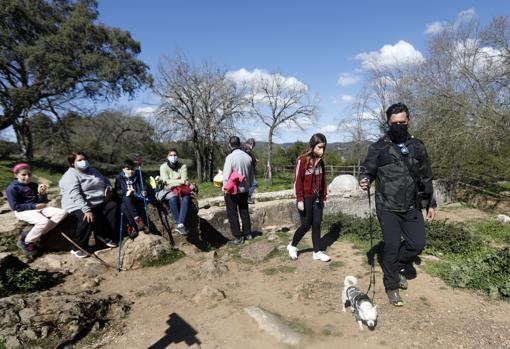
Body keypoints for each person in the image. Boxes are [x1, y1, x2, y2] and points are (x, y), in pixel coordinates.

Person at [359, 102, 436, 306]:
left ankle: (395, 267)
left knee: (417, 243)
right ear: (388, 123)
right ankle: (392, 286)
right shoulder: (379, 147)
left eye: (402, 122)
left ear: (408, 120)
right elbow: (368, 169)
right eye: (395, 123)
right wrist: (365, 178)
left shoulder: (418, 146)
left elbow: (426, 176)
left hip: (412, 205)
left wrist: (430, 203)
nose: (399, 125)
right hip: (387, 207)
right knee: (391, 247)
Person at [59, 152, 118, 258]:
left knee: (112, 206)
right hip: (76, 204)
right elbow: (74, 194)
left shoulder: (93, 170)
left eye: (85, 159)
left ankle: (103, 237)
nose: (83, 162)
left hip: (95, 202)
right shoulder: (70, 175)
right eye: (79, 160)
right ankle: (77, 246)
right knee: (87, 218)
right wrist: (86, 209)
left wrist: (108, 189)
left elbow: (105, 180)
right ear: (72, 163)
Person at [6, 163, 67, 257]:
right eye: (23, 174)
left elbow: (41, 201)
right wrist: (34, 206)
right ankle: (27, 242)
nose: (27, 177)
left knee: (62, 213)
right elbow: (15, 206)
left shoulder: (33, 185)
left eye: (29, 174)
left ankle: (32, 235)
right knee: (44, 221)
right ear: (16, 175)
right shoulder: (12, 188)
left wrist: (42, 194)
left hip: (38, 208)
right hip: (23, 211)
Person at [287, 133, 331, 262]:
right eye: (319, 147)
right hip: (305, 198)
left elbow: (323, 180)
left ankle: (317, 251)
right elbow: (298, 181)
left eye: (324, 147)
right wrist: (300, 199)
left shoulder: (320, 162)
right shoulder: (302, 160)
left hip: (317, 198)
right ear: (312, 146)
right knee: (306, 225)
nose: (322, 150)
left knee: (317, 224)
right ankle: (292, 246)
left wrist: (325, 197)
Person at [222, 136, 254, 244]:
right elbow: (251, 175)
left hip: (232, 190)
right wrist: (248, 186)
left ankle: (237, 237)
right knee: (244, 211)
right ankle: (248, 233)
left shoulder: (230, 158)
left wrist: (225, 189)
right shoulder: (248, 157)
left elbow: (226, 176)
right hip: (244, 189)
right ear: (240, 144)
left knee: (232, 213)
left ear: (230, 145)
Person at [114, 159, 149, 239]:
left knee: (124, 205)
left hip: (137, 197)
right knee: (125, 202)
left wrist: (144, 190)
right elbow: (117, 190)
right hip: (126, 197)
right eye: (128, 169)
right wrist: (126, 192)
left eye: (132, 169)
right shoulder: (119, 177)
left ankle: (133, 227)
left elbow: (144, 185)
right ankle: (138, 222)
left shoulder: (138, 175)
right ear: (123, 169)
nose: (131, 171)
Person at [160, 149, 190, 235]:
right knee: (173, 199)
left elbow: (184, 180)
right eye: (171, 155)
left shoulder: (183, 166)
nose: (173, 157)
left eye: (175, 155)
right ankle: (180, 224)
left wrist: (172, 182)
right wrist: (179, 181)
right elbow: (165, 180)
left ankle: (180, 225)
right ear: (167, 157)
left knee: (186, 198)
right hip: (169, 189)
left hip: (182, 188)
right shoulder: (163, 167)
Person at [243, 138, 258, 204]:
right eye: (252, 145)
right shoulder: (246, 150)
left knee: (249, 185)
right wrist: (254, 161)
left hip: (248, 171)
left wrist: (255, 161)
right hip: (248, 171)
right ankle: (247, 198)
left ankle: (247, 198)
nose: (252, 147)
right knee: (254, 184)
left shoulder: (246, 150)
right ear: (250, 144)